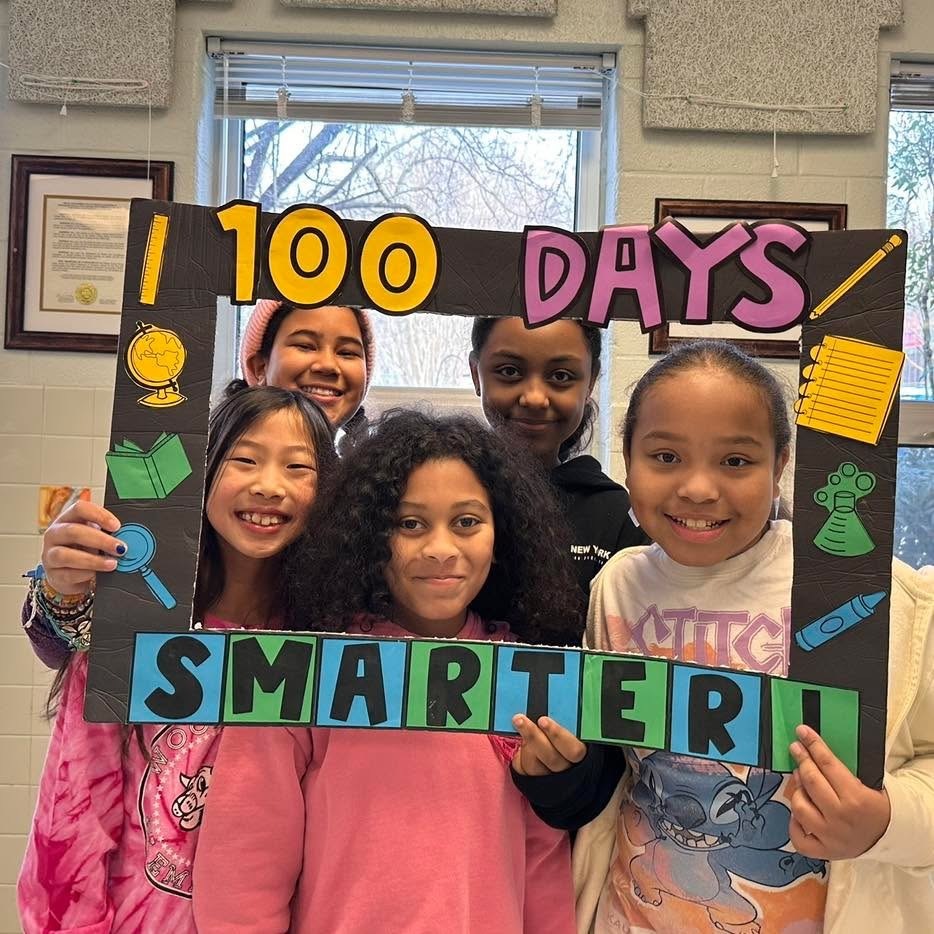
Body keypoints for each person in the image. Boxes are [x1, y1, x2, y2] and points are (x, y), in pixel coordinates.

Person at [510, 340, 934, 933]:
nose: (699, 489)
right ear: (625, 459)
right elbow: (616, 767)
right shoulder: (619, 586)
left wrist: (886, 820)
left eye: (735, 461)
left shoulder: (869, 592)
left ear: (781, 463)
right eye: (665, 457)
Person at [192, 409, 581, 933]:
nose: (440, 549)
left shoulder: (523, 680)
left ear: (502, 534)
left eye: (466, 522)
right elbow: (245, 857)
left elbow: (543, 869)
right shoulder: (304, 671)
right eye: (409, 523)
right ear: (371, 537)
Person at [18, 385, 337, 933]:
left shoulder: (335, 644)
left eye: (299, 468)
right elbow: (73, 813)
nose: (268, 486)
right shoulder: (135, 629)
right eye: (244, 459)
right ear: (204, 470)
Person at [21, 298, 376, 670]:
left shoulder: (366, 504)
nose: (326, 364)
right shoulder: (173, 480)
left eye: (348, 351)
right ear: (259, 365)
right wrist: (62, 587)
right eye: (304, 344)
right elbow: (69, 650)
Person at [470, 316, 647, 602]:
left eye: (561, 376)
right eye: (509, 371)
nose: (535, 398)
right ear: (476, 373)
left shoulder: (615, 516)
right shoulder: (435, 496)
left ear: (590, 382)